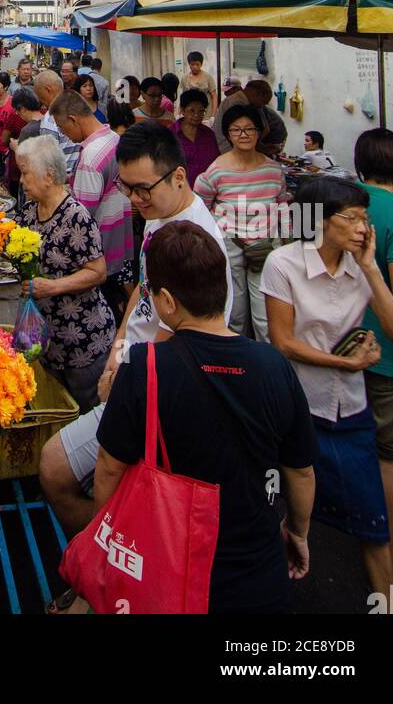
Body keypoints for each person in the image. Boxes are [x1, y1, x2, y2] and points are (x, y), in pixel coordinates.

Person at [92, 222, 317, 615]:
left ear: (166, 301)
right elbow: (299, 471)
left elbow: (109, 468)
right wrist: (298, 531)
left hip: (167, 571)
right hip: (258, 576)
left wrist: (107, 538)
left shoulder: (144, 367)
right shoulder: (274, 366)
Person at [40, 123, 232, 538]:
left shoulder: (194, 244)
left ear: (179, 176)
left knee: (55, 468)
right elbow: (141, 296)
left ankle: (101, 562)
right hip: (136, 370)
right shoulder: (161, 216)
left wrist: (127, 374)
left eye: (144, 188)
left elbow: (180, 339)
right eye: (127, 188)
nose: (135, 199)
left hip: (157, 390)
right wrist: (117, 350)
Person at [262, 175, 393, 596]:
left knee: (373, 519)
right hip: (300, 409)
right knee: (291, 512)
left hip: (352, 408)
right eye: (353, 218)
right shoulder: (284, 264)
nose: (363, 227)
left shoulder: (359, 265)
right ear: (321, 221)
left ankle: (386, 606)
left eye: (365, 218)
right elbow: (283, 341)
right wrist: (347, 361)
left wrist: (370, 268)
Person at [13, 135, 117, 411]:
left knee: (90, 410)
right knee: (60, 408)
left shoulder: (76, 217)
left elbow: (97, 272)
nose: (21, 181)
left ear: (48, 177)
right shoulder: (30, 212)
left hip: (82, 342)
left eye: (25, 173)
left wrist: (53, 287)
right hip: (49, 341)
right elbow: (4, 239)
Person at [353, 129, 393, 583]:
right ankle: (387, 549)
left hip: (344, 343)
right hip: (388, 352)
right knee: (392, 456)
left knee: (358, 440)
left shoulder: (344, 204)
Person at [195, 103, 288, 342]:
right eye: (237, 130)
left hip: (266, 249)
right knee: (234, 314)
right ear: (228, 134)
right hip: (230, 247)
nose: (244, 135)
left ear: (260, 132)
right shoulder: (216, 171)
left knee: (265, 317)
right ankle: (239, 364)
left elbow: (282, 206)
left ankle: (268, 368)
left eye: (250, 129)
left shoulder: (273, 170)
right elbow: (200, 209)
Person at [51, 89, 133, 291]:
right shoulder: (113, 138)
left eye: (62, 128)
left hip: (98, 255)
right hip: (120, 243)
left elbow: (81, 217)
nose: (64, 135)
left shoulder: (90, 158)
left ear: (73, 119)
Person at [35, 69, 81, 180]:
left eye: (40, 96)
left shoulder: (50, 118)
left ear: (48, 90)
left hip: (61, 180)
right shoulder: (78, 104)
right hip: (78, 176)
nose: (40, 101)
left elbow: (48, 160)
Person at [170, 87, 220, 187]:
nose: (197, 115)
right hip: (179, 191)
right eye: (192, 110)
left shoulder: (209, 134)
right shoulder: (170, 134)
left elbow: (217, 163)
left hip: (208, 191)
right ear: (182, 110)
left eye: (201, 111)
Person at [6, 85, 44, 199]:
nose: (17, 114)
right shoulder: (47, 122)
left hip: (31, 182)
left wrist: (15, 147)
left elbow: (22, 163)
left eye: (17, 110)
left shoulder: (28, 130)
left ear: (22, 108)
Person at [180, 50, 218, 118]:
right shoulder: (184, 78)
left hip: (206, 114)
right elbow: (183, 97)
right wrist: (180, 112)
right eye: (192, 64)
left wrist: (213, 115)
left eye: (197, 64)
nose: (195, 67)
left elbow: (214, 96)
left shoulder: (208, 77)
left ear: (201, 64)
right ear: (189, 64)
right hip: (190, 114)